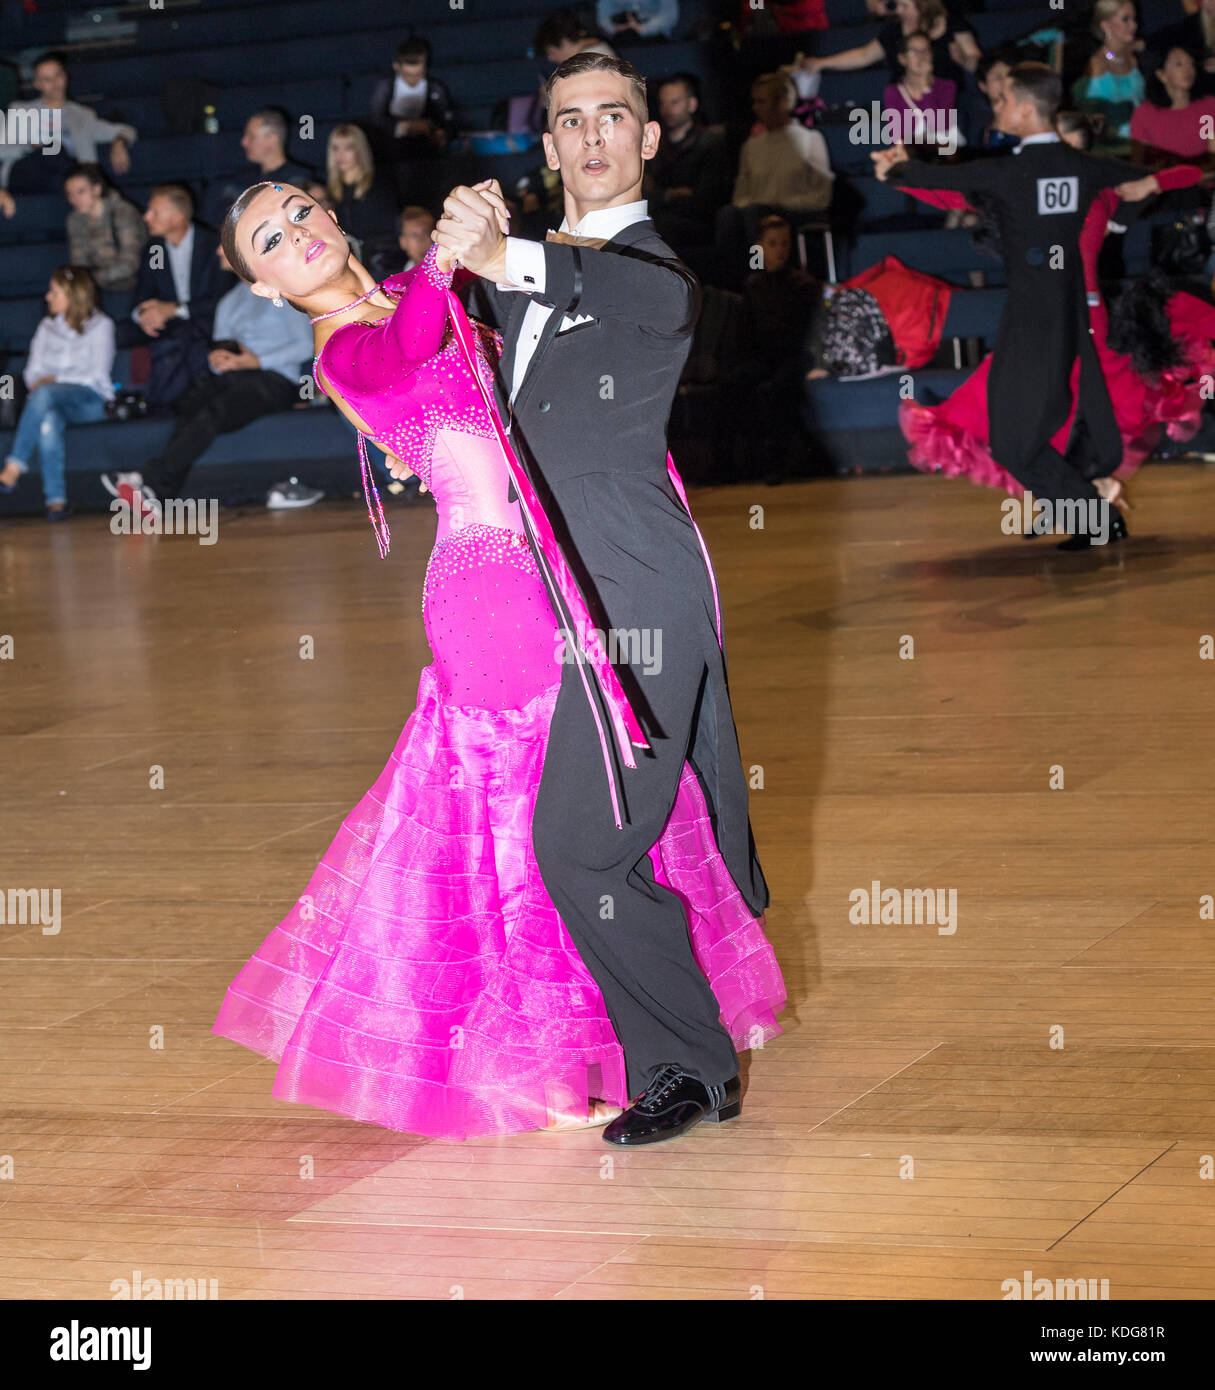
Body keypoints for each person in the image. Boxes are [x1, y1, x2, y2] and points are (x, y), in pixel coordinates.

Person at [209, 177, 784, 1140]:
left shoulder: (416, 288)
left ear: (333, 214)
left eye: (298, 211)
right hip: (489, 601)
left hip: (568, 562)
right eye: (267, 240)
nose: (293, 235)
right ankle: (570, 1052)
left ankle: (658, 1041)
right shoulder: (348, 347)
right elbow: (409, 346)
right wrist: (452, 253)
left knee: (593, 805)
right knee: (530, 832)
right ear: (262, 287)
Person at [435, 51, 777, 1144]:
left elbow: (647, 294)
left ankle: (686, 1061)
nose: (590, 138)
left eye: (612, 118)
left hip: (638, 603)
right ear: (546, 148)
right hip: (565, 614)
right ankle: (688, 1060)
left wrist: (505, 253)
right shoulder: (522, 276)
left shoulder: (645, 272)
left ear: (647, 139)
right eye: (570, 122)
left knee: (580, 845)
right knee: (590, 845)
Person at [875, 63, 1158, 547]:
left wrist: (898, 170)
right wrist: (1153, 184)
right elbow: (1147, 178)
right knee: (1010, 441)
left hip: (1046, 322)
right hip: (1045, 319)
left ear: (1028, 110)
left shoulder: (1018, 170)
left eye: (1004, 100)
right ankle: (1091, 514)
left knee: (1022, 437)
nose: (997, 107)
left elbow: (958, 176)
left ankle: (1094, 513)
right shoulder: (1078, 169)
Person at [896, 113, 1212, 498]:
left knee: (1079, 405)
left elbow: (1191, 175)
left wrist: (1150, 181)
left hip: (1084, 319)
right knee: (1024, 404)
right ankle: (1086, 487)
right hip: (1044, 317)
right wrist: (898, 173)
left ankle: (1085, 488)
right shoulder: (1022, 189)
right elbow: (952, 193)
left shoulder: (1104, 190)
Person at [102, 240, 314, 515]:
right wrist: (218, 361)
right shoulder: (228, 301)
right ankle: (156, 494)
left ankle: (148, 480)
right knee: (192, 401)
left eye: (222, 245)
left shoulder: (283, 289)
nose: (216, 251)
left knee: (215, 410)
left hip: (276, 378)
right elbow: (220, 349)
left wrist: (257, 360)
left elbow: (306, 345)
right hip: (237, 374)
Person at [0, 267, 114, 518]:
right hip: (50, 399)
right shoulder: (46, 327)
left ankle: (14, 465)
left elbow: (97, 375)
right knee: (48, 420)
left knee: (45, 394)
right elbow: (31, 373)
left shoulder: (102, 325)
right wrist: (46, 383)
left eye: (54, 292)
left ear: (73, 296)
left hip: (92, 401)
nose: (47, 297)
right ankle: (56, 501)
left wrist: (55, 380)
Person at [716, 71, 834, 285]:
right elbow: (741, 194)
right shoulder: (752, 146)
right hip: (757, 212)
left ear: (782, 103)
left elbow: (822, 196)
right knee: (729, 215)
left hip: (795, 212)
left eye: (761, 101)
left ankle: (764, 279)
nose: (755, 108)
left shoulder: (810, 140)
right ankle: (737, 284)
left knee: (757, 214)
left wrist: (783, 203)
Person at [130, 184, 232, 408]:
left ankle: (158, 406)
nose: (146, 217)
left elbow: (222, 300)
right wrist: (144, 315)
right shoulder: (154, 250)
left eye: (155, 212)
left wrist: (174, 309)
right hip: (171, 329)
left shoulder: (214, 245)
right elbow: (141, 297)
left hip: (209, 325)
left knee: (180, 345)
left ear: (177, 218)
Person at [0, 51, 136, 215]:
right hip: (25, 172)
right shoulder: (21, 110)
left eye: (58, 75)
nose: (54, 83)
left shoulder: (82, 115)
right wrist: (30, 145)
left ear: (65, 76)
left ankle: (92, 204)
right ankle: (103, 201)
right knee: (56, 151)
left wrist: (119, 142)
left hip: (63, 179)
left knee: (69, 170)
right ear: (37, 84)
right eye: (46, 79)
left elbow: (126, 130)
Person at [800, 0, 979, 89]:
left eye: (905, 6)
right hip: (905, 101)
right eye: (897, 5)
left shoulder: (952, 25)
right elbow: (863, 56)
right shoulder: (893, 31)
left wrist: (964, 60)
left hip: (946, 101)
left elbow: (976, 61)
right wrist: (822, 63)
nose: (898, 11)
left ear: (923, 6)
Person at [644, 72, 732, 254]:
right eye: (663, 103)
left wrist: (664, 194)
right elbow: (647, 190)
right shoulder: (656, 145)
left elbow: (706, 196)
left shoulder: (710, 141)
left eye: (674, 102)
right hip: (661, 218)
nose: (667, 109)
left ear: (692, 104)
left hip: (695, 222)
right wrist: (671, 194)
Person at [323, 123, 400, 276]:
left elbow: (390, 230)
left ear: (359, 150)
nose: (341, 154)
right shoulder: (331, 190)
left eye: (348, 148)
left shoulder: (379, 186)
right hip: (348, 263)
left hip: (380, 264)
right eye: (336, 148)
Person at [64, 163, 146, 292]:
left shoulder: (123, 211)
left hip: (132, 283)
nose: (74, 199)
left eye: (81, 192)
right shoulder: (75, 220)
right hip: (97, 284)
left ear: (97, 189)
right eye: (70, 194)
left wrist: (93, 279)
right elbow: (79, 261)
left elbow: (131, 263)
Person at [1072, 0, 1146, 144]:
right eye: (1125, 19)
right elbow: (1093, 120)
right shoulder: (1097, 65)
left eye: (1134, 19)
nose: (1134, 25)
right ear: (1106, 25)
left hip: (1142, 140)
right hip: (1113, 147)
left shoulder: (1131, 58)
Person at [1130, 45, 1215, 162]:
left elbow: (1212, 155)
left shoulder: (1209, 106)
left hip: (1202, 176)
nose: (1187, 69)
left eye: (1190, 64)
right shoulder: (1144, 113)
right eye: (1178, 64)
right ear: (1161, 75)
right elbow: (1141, 161)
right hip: (1159, 176)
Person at [882, 29, 960, 150]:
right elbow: (897, 137)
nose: (921, 56)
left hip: (943, 156)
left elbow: (940, 127)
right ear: (902, 58)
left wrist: (925, 87)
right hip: (912, 159)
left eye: (925, 51)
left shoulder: (947, 87)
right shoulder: (893, 92)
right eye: (913, 52)